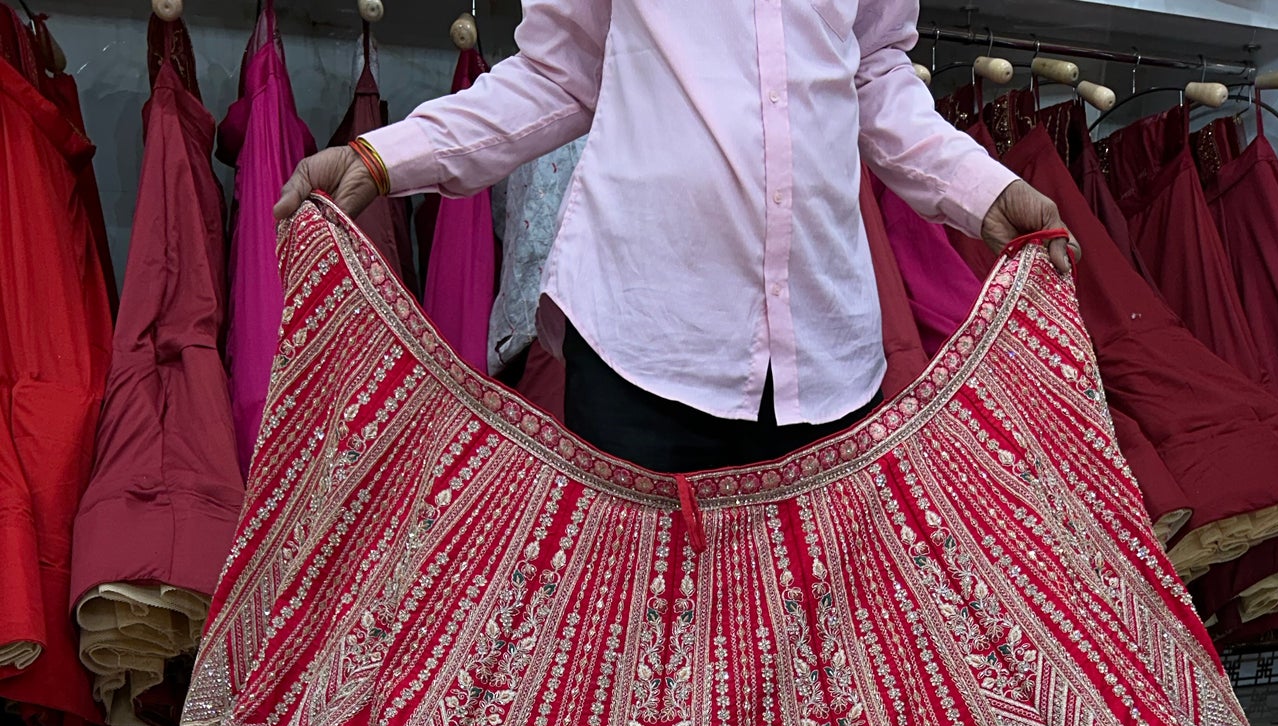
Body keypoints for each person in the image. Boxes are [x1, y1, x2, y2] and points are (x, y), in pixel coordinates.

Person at [275, 0, 1074, 470]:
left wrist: (985, 191)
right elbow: (557, 74)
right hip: (643, 345)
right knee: (640, 675)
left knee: (802, 674)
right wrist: (388, 156)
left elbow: (874, 75)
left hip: (827, 354)